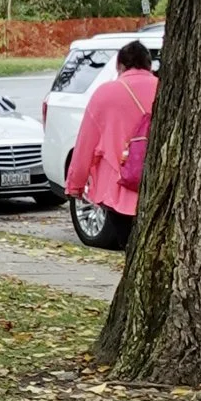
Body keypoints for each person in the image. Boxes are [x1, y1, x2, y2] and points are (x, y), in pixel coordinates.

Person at [63, 35, 159, 250]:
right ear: (149, 64)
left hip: (119, 188)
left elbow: (84, 145)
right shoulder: (164, 89)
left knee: (129, 245)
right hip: (160, 184)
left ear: (120, 66)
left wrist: (75, 186)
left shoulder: (106, 94)